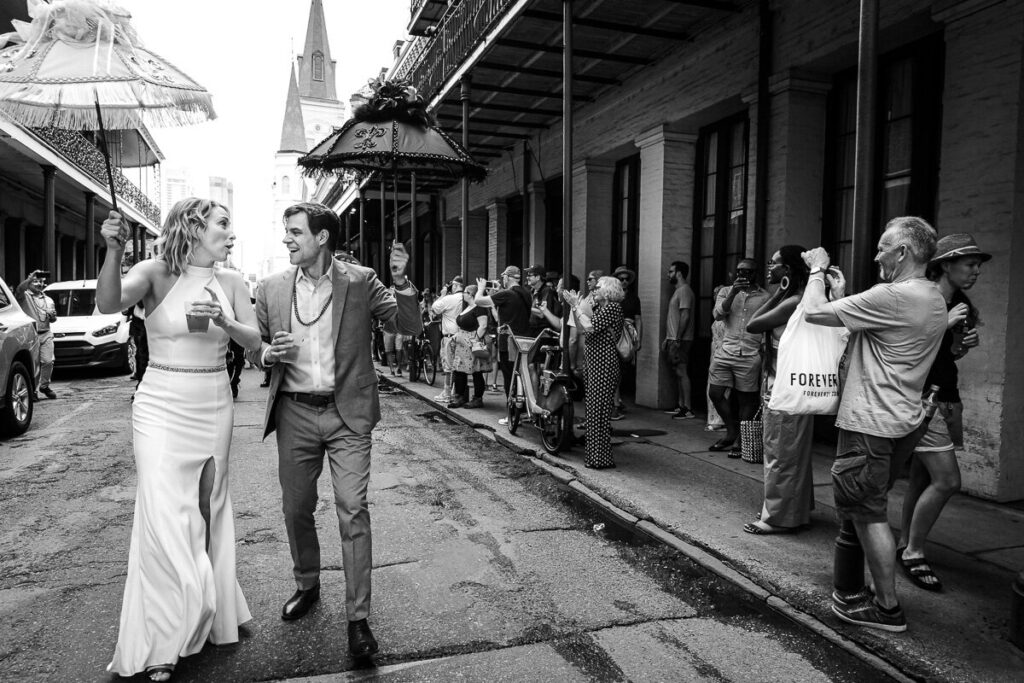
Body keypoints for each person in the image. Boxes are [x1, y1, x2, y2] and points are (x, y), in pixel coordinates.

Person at [249, 202, 420, 658]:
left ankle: (358, 618)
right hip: (295, 413)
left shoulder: (361, 281)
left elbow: (409, 324)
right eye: (285, 231)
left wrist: (401, 281)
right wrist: (268, 353)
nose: (286, 239)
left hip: (349, 413)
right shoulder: (270, 288)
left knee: (352, 507)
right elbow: (255, 347)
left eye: (295, 232)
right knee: (296, 507)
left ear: (321, 237)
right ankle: (307, 583)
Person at [98, 199, 260, 682]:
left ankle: (212, 609)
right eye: (223, 225)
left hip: (213, 400)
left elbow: (253, 343)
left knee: (208, 508)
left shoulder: (232, 282)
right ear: (194, 227)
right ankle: (165, 635)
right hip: (161, 402)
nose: (231, 234)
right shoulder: (153, 272)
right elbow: (108, 303)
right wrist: (111, 251)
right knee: (166, 513)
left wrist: (225, 321)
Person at [802, 216, 947, 633]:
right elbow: (881, 333)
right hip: (903, 418)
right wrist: (848, 299)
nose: (876, 253)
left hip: (871, 422)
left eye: (883, 246)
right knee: (869, 507)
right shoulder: (932, 296)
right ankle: (875, 594)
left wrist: (816, 269)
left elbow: (813, 313)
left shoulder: (892, 296)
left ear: (903, 252)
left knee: (867, 514)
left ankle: (885, 608)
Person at [897, 234, 990, 592]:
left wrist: (960, 345)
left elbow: (942, 356)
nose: (976, 271)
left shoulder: (960, 304)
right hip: (925, 400)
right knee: (948, 480)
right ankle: (914, 552)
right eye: (970, 264)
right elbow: (907, 348)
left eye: (978, 265)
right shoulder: (925, 300)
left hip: (948, 398)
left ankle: (906, 542)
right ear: (946, 264)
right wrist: (943, 324)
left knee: (922, 479)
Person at [743, 246, 824, 533]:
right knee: (792, 453)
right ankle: (795, 511)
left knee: (779, 455)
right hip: (790, 388)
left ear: (787, 271)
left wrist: (778, 293)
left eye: (774, 263)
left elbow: (753, 324)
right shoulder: (798, 299)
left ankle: (776, 518)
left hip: (785, 389)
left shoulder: (793, 302)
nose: (769, 267)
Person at [707, 259, 770, 452]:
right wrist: (734, 292)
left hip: (750, 353)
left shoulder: (765, 297)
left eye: (747, 272)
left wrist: (764, 349)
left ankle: (741, 440)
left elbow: (768, 324)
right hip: (726, 350)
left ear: (755, 274)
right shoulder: (726, 291)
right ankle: (731, 432)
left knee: (746, 400)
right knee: (715, 393)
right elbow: (718, 315)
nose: (742, 275)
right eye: (739, 271)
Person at [562, 276, 625, 469]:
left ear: (607, 291)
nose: (594, 289)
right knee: (594, 411)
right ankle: (596, 458)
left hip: (603, 363)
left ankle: (599, 459)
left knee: (599, 412)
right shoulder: (601, 308)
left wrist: (575, 306)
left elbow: (590, 327)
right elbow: (583, 328)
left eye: (598, 287)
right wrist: (577, 306)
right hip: (595, 362)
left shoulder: (612, 308)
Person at [474, 266, 532, 406]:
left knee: (508, 376)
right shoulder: (525, 293)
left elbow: (478, 301)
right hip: (523, 340)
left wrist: (481, 288)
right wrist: (499, 291)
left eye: (503, 277)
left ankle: (511, 409)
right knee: (520, 373)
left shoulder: (507, 294)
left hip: (508, 341)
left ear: (507, 277)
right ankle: (522, 408)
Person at [660, 261, 696, 420]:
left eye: (671, 271)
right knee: (677, 371)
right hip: (674, 338)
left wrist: (678, 338)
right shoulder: (678, 291)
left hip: (681, 339)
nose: (668, 274)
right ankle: (681, 405)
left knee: (682, 371)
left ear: (679, 273)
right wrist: (668, 338)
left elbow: (685, 315)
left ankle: (687, 408)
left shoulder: (684, 291)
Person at [15, 269, 57, 400]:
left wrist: (52, 316)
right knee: (33, 364)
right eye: (35, 281)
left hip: (46, 333)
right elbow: (19, 290)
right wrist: (29, 279)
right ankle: (32, 390)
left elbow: (54, 319)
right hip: (30, 335)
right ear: (29, 283)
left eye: (41, 282)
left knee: (48, 361)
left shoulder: (48, 299)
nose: (38, 284)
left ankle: (44, 386)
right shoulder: (24, 296)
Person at [449, 284, 492, 409]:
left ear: (471, 295)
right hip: (461, 343)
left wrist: (474, 341)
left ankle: (477, 399)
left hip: (471, 342)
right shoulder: (467, 307)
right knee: (459, 370)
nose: (463, 294)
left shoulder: (479, 308)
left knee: (476, 371)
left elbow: (483, 326)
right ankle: (460, 396)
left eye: (465, 292)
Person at [611, 266, 641, 421]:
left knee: (621, 370)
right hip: (614, 335)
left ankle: (617, 401)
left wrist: (639, 339)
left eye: (626, 279)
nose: (624, 281)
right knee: (615, 371)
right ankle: (616, 403)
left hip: (628, 335)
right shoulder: (612, 297)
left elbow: (638, 319)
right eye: (621, 279)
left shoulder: (633, 298)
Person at [431, 276, 464, 402]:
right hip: (462, 336)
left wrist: (442, 295)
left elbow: (434, 308)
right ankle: (456, 392)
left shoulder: (449, 299)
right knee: (458, 366)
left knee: (448, 366)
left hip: (449, 337)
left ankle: (447, 393)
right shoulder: (465, 297)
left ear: (454, 286)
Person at [525, 264, 559, 335]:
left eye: (529, 275)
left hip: (543, 334)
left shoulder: (547, 291)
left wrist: (525, 307)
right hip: (531, 332)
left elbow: (542, 313)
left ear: (537, 277)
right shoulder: (531, 291)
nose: (527, 277)